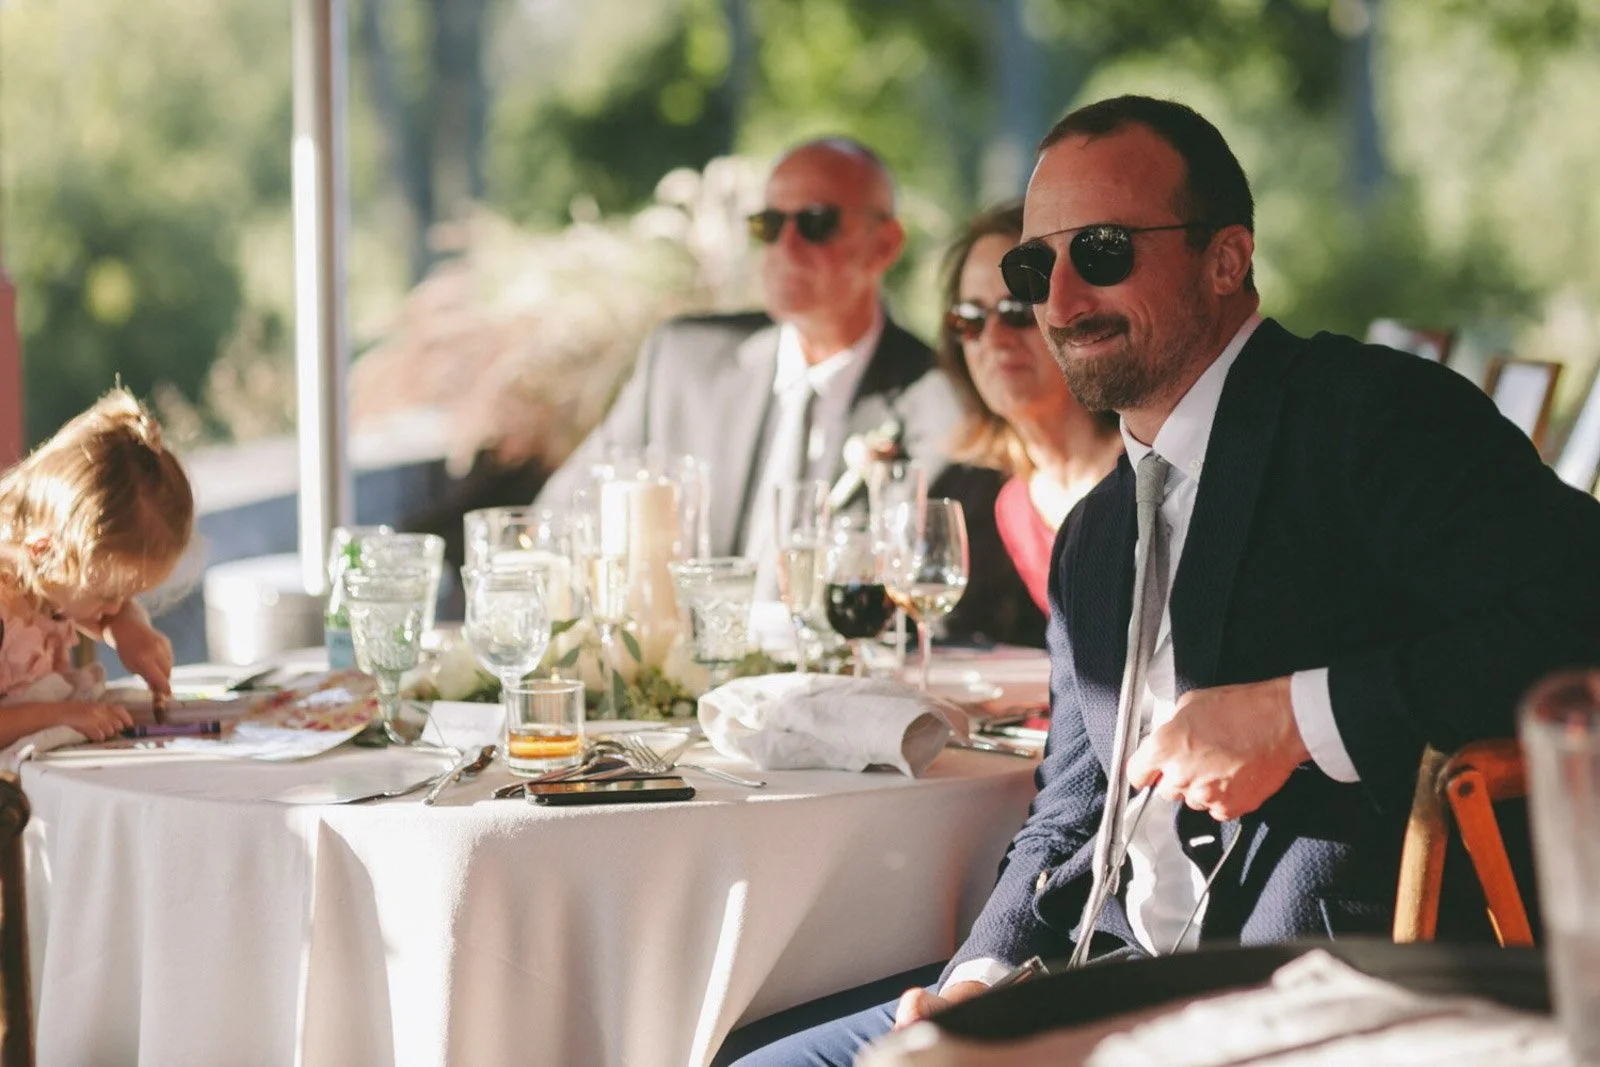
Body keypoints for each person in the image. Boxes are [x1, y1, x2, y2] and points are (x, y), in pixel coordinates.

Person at [721, 94, 1600, 1065]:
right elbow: (1066, 814)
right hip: (1098, 973)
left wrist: (1292, 718)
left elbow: (1575, 611)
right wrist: (976, 973)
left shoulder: (1367, 418)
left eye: (1100, 249)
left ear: (1225, 258)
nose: (1056, 299)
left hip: (1287, 993)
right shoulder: (1095, 532)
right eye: (1032, 265)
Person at [532, 137, 960, 575]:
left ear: (885, 245)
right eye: (770, 225)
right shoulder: (683, 363)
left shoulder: (938, 399)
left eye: (816, 223)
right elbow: (561, 517)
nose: (786, 248)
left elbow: (933, 581)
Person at [933, 201, 1122, 648]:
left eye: (1017, 308)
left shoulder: (1148, 467)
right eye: (972, 318)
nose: (995, 338)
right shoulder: (1014, 504)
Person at [0, 388, 194, 748]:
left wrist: (130, 628)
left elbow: (95, 612)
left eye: (128, 596)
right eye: (109, 595)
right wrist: (64, 715)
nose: (116, 606)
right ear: (44, 551)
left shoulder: (49, 580)